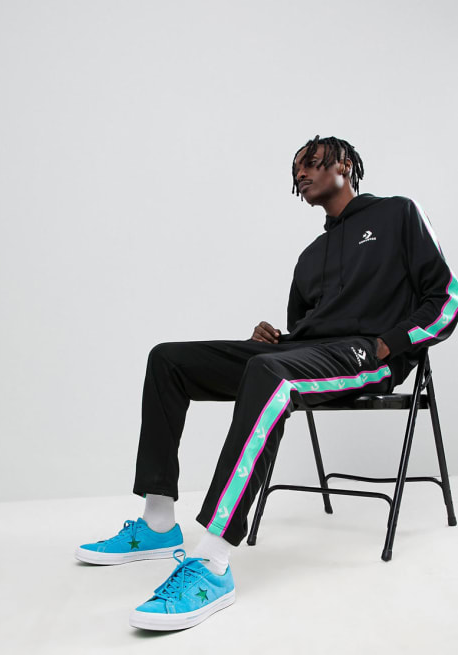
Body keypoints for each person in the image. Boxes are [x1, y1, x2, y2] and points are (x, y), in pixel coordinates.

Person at [75, 135, 458, 631]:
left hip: (368, 354)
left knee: (269, 373)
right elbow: (305, 329)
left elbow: (447, 300)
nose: (301, 174)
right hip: (305, 355)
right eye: (296, 170)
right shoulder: (310, 256)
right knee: (168, 360)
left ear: (344, 164)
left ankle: (212, 562)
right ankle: (158, 523)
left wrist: (392, 343)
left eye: (312, 163)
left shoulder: (398, 214)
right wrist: (276, 338)